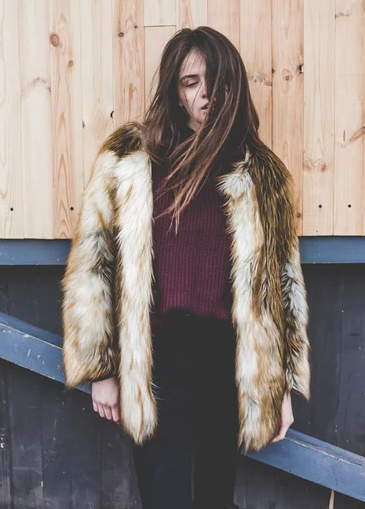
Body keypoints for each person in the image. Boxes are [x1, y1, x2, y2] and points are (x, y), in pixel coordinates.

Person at [61, 26, 311, 508]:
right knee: (164, 495)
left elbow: (283, 285)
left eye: (215, 80)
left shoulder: (262, 173)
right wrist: (101, 368)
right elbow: (94, 263)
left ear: (233, 84)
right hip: (156, 357)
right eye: (191, 82)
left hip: (228, 360)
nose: (206, 94)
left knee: (215, 496)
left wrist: (278, 386)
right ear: (175, 93)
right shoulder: (131, 160)